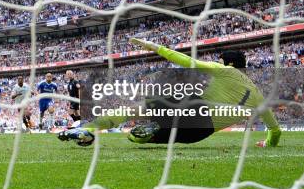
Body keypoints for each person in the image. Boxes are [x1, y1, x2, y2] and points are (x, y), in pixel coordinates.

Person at [59, 39, 281, 148]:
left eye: (220, 60)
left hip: (195, 109)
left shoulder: (225, 70)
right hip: (198, 134)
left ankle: (87, 129)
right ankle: (153, 129)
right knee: (135, 137)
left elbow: (187, 61)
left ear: (230, 63)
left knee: (136, 107)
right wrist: (267, 143)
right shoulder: (259, 95)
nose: (217, 63)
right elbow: (275, 130)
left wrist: (156, 48)